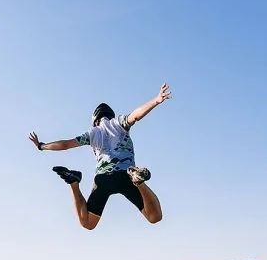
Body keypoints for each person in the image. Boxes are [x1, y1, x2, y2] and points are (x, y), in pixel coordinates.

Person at [29, 82, 172, 230]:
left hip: (103, 178)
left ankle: (74, 182)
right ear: (111, 115)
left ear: (95, 121)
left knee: (87, 222)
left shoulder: (92, 133)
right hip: (126, 175)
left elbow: (65, 144)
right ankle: (138, 181)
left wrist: (42, 146)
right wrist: (156, 100)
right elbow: (136, 115)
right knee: (155, 216)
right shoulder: (119, 123)